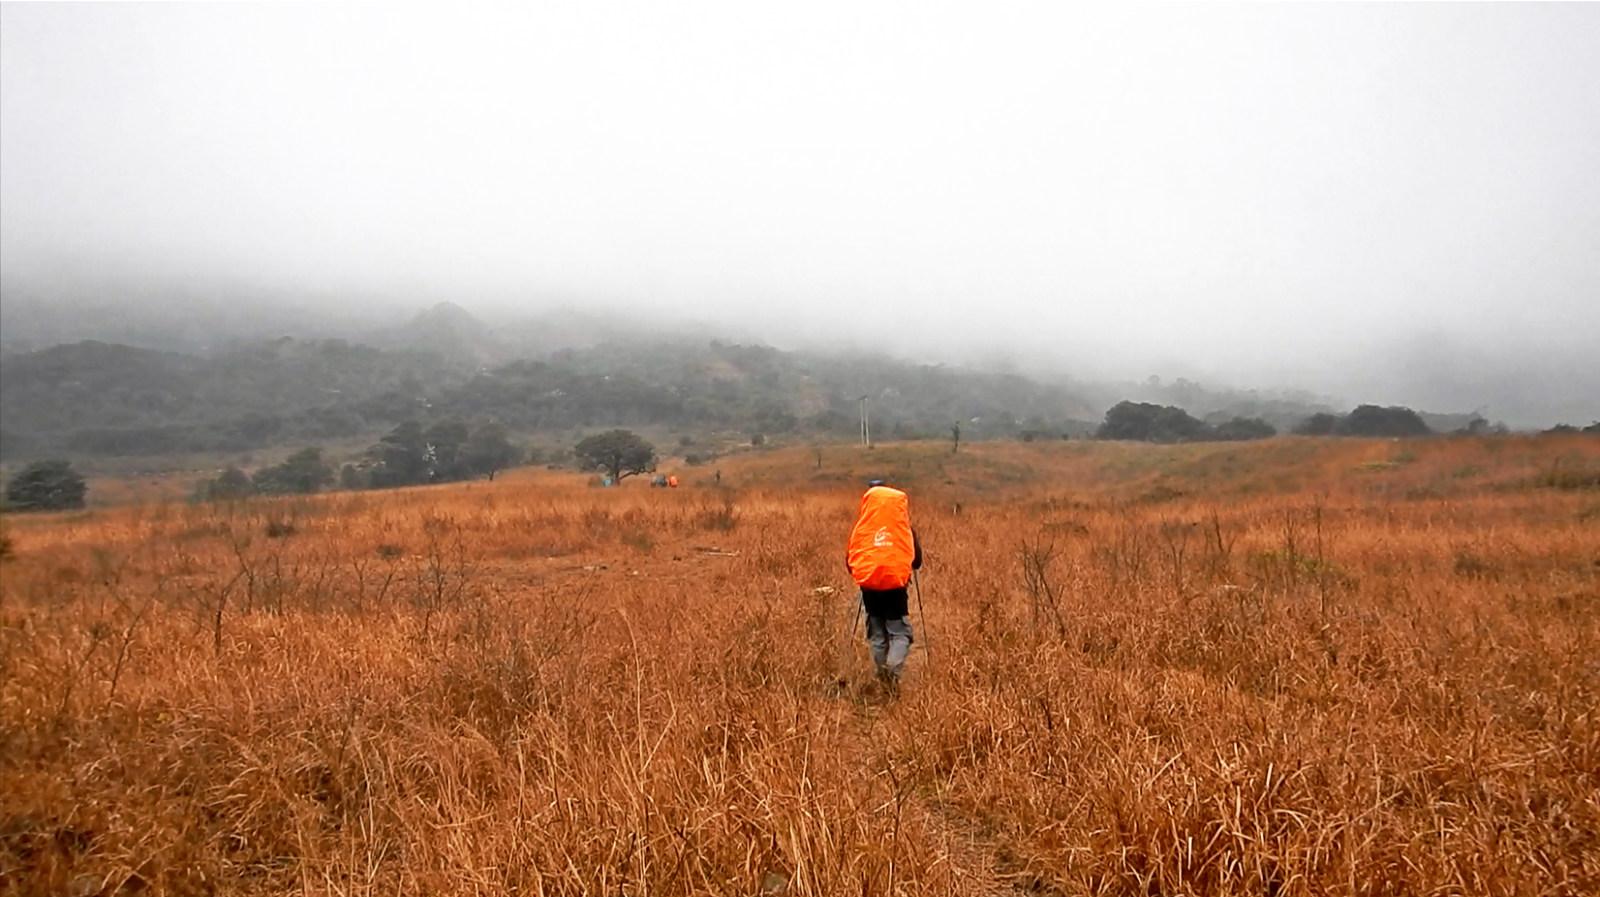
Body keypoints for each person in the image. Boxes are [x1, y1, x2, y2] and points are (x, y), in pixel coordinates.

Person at [845, 480, 922, 687]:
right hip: (896, 590)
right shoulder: (903, 528)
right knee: (900, 633)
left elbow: (850, 562)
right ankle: (892, 671)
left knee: (877, 634)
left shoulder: (862, 528)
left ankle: (883, 679)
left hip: (869, 588)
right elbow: (917, 561)